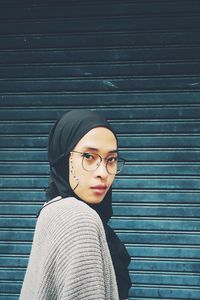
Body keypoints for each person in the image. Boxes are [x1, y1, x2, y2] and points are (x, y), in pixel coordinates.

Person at [20, 109, 131, 300]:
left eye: (111, 159)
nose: (103, 172)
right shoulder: (79, 219)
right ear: (63, 158)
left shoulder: (52, 209)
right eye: (89, 156)